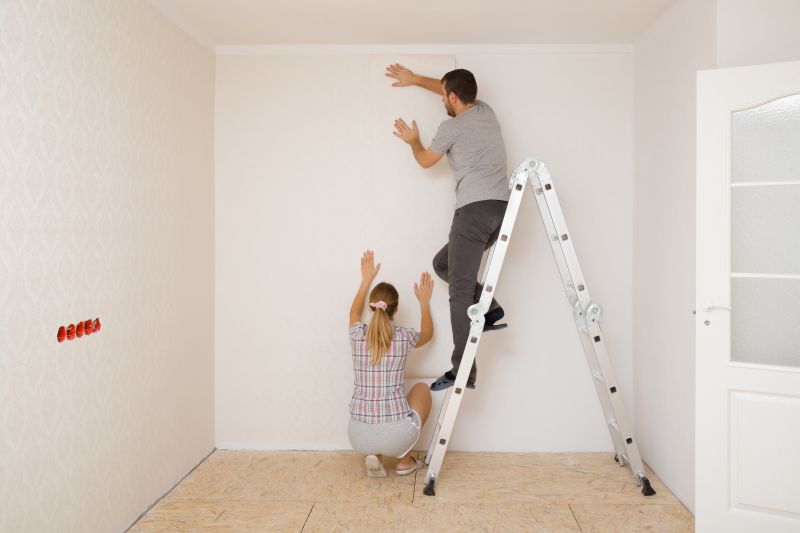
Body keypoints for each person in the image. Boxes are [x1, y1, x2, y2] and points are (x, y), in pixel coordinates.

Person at [386, 63, 509, 391]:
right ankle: (491, 310)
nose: (442, 99)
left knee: (458, 293)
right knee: (443, 265)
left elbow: (426, 160)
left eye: (444, 96)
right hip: (500, 212)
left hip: (472, 213)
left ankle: (462, 370)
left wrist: (414, 140)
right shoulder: (486, 111)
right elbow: (449, 87)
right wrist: (414, 80)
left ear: (452, 98)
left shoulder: (450, 128)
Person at [348, 250, 434, 477]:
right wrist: (424, 302)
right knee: (422, 389)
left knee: (382, 410)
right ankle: (404, 460)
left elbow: (353, 313)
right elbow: (427, 333)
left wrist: (366, 279)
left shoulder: (357, 335)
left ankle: (373, 454)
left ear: (371, 307)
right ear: (395, 310)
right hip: (397, 436)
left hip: (358, 436)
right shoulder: (404, 336)